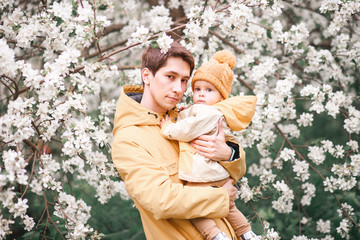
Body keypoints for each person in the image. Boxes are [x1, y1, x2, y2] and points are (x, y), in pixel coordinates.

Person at [112, 41, 246, 240]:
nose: (178, 88)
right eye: (170, 77)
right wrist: (221, 197)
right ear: (147, 76)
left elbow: (238, 165)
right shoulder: (129, 139)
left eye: (184, 80)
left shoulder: (184, 117)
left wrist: (228, 153)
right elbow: (161, 201)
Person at [160, 50, 259, 240]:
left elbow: (188, 129)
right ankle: (248, 233)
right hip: (216, 174)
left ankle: (215, 235)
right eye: (197, 89)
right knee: (229, 207)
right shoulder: (211, 112)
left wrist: (168, 128)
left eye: (209, 90)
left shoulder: (210, 113)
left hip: (203, 175)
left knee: (196, 210)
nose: (201, 95)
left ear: (221, 97)